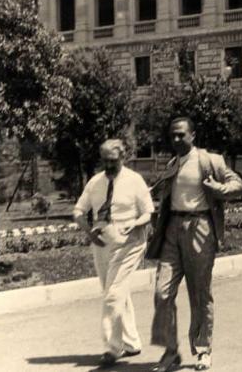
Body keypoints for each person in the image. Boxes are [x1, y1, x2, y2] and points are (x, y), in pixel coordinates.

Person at [147, 117, 242, 372]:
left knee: (200, 293)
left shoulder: (210, 160)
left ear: (193, 135)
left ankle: (203, 350)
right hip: (172, 230)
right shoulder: (171, 164)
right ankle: (170, 352)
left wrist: (218, 188)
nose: (176, 139)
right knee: (161, 292)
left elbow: (238, 185)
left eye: (181, 134)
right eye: (172, 135)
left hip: (200, 227)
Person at [73, 139, 155, 367]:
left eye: (113, 160)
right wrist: (90, 234)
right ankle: (132, 342)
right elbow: (79, 211)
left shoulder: (134, 180)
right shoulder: (95, 182)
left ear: (123, 157)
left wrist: (136, 223)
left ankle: (112, 348)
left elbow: (149, 212)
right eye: (105, 161)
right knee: (115, 292)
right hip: (102, 243)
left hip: (130, 243)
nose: (109, 165)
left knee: (113, 294)